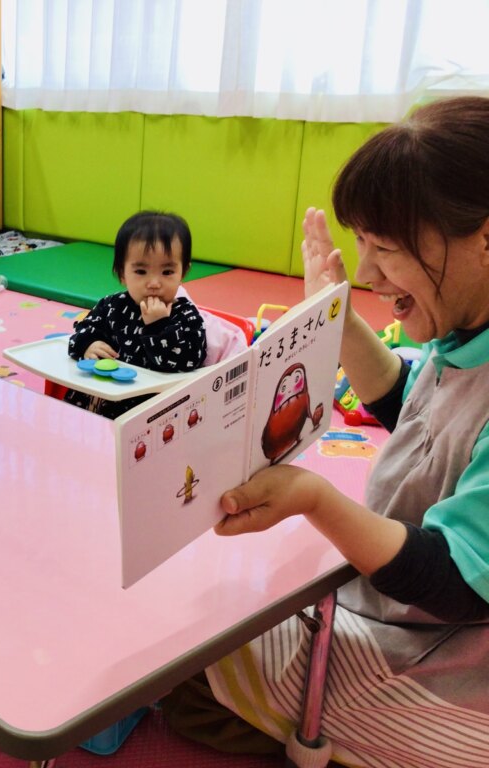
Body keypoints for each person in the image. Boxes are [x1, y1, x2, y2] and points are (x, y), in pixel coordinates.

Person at [163, 96, 489, 768]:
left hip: (450, 658)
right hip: (402, 609)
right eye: (362, 245)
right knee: (206, 616)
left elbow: (455, 579)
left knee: (183, 674)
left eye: (386, 248)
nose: (367, 273)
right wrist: (332, 316)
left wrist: (315, 499)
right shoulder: (467, 329)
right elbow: (418, 412)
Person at [66, 211, 207, 419]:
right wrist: (88, 344)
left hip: (151, 415)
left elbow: (188, 361)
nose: (154, 283)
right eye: (141, 272)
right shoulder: (112, 306)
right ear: (122, 274)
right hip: (95, 400)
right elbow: (81, 332)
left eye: (167, 272)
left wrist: (158, 326)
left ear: (183, 273)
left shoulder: (186, 316)